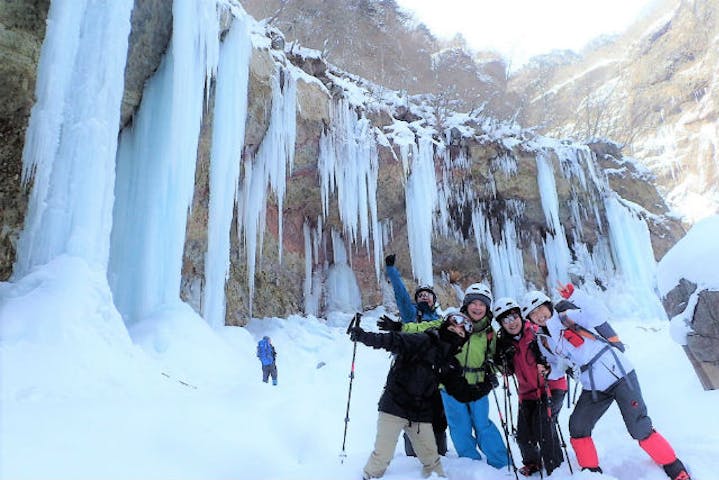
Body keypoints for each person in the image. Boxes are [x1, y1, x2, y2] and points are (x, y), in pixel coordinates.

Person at [521, 283, 692, 480]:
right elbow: (559, 367)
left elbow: (598, 314)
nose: (540, 314)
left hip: (619, 374)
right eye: (533, 313)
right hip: (593, 386)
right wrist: (549, 371)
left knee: (639, 427)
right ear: (530, 319)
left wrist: (576, 295)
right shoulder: (544, 341)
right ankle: (591, 473)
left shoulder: (568, 317)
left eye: (541, 308)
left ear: (548, 306)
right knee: (578, 426)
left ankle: (674, 467)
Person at [349, 312, 496, 479]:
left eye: (461, 334)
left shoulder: (450, 364)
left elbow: (462, 393)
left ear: (462, 341)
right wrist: (363, 336)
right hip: (394, 407)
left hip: (420, 415)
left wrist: (487, 384)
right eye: (452, 328)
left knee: (432, 462)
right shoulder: (422, 340)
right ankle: (368, 477)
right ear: (444, 327)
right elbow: (392, 341)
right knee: (381, 457)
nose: (456, 333)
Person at [385, 283, 509, 469]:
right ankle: (470, 463)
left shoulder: (489, 333)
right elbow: (425, 327)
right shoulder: (452, 321)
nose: (477, 307)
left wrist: (493, 373)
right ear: (466, 305)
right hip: (450, 386)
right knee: (459, 426)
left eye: (482, 304)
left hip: (477, 385)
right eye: (473, 303)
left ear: (487, 308)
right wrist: (401, 327)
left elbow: (494, 358)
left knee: (483, 424)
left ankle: (501, 462)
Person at [493, 297, 569, 476]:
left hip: (552, 386)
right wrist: (502, 360)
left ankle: (555, 466)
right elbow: (507, 372)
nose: (511, 323)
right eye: (505, 320)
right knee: (523, 434)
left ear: (520, 315)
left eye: (513, 317)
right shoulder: (504, 343)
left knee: (544, 423)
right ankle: (532, 462)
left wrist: (545, 362)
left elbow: (557, 354)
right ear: (501, 324)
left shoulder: (535, 332)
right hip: (527, 393)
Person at [382, 253, 447, 456]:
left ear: (434, 300)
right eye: (420, 295)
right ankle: (412, 456)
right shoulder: (411, 314)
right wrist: (391, 270)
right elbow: (401, 294)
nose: (424, 296)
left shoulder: (440, 319)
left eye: (428, 294)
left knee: (437, 413)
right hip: (410, 371)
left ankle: (440, 451)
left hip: (434, 373)